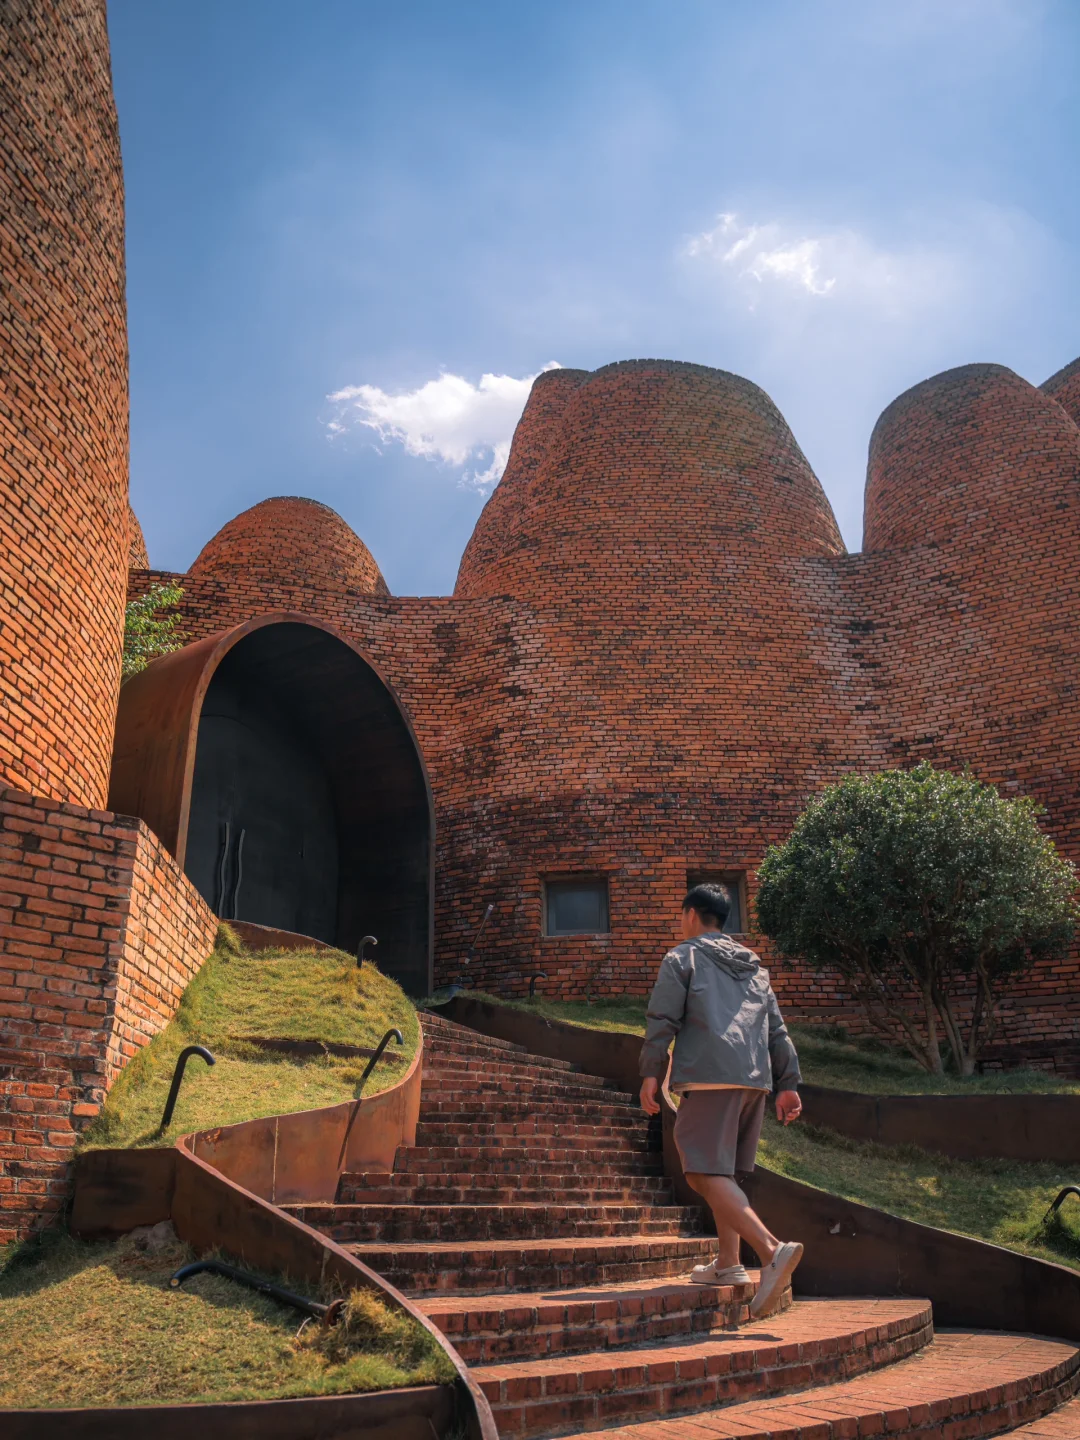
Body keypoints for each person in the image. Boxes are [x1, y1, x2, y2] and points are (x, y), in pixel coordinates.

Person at [638, 882, 803, 1319]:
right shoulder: (754, 967)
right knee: (725, 1171)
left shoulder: (682, 957)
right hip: (755, 1080)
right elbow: (777, 1030)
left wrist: (651, 1073)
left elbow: (662, 1019)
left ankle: (771, 1251)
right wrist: (788, 1082)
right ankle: (729, 1265)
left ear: (692, 915)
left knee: (701, 1172)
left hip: (710, 1078)